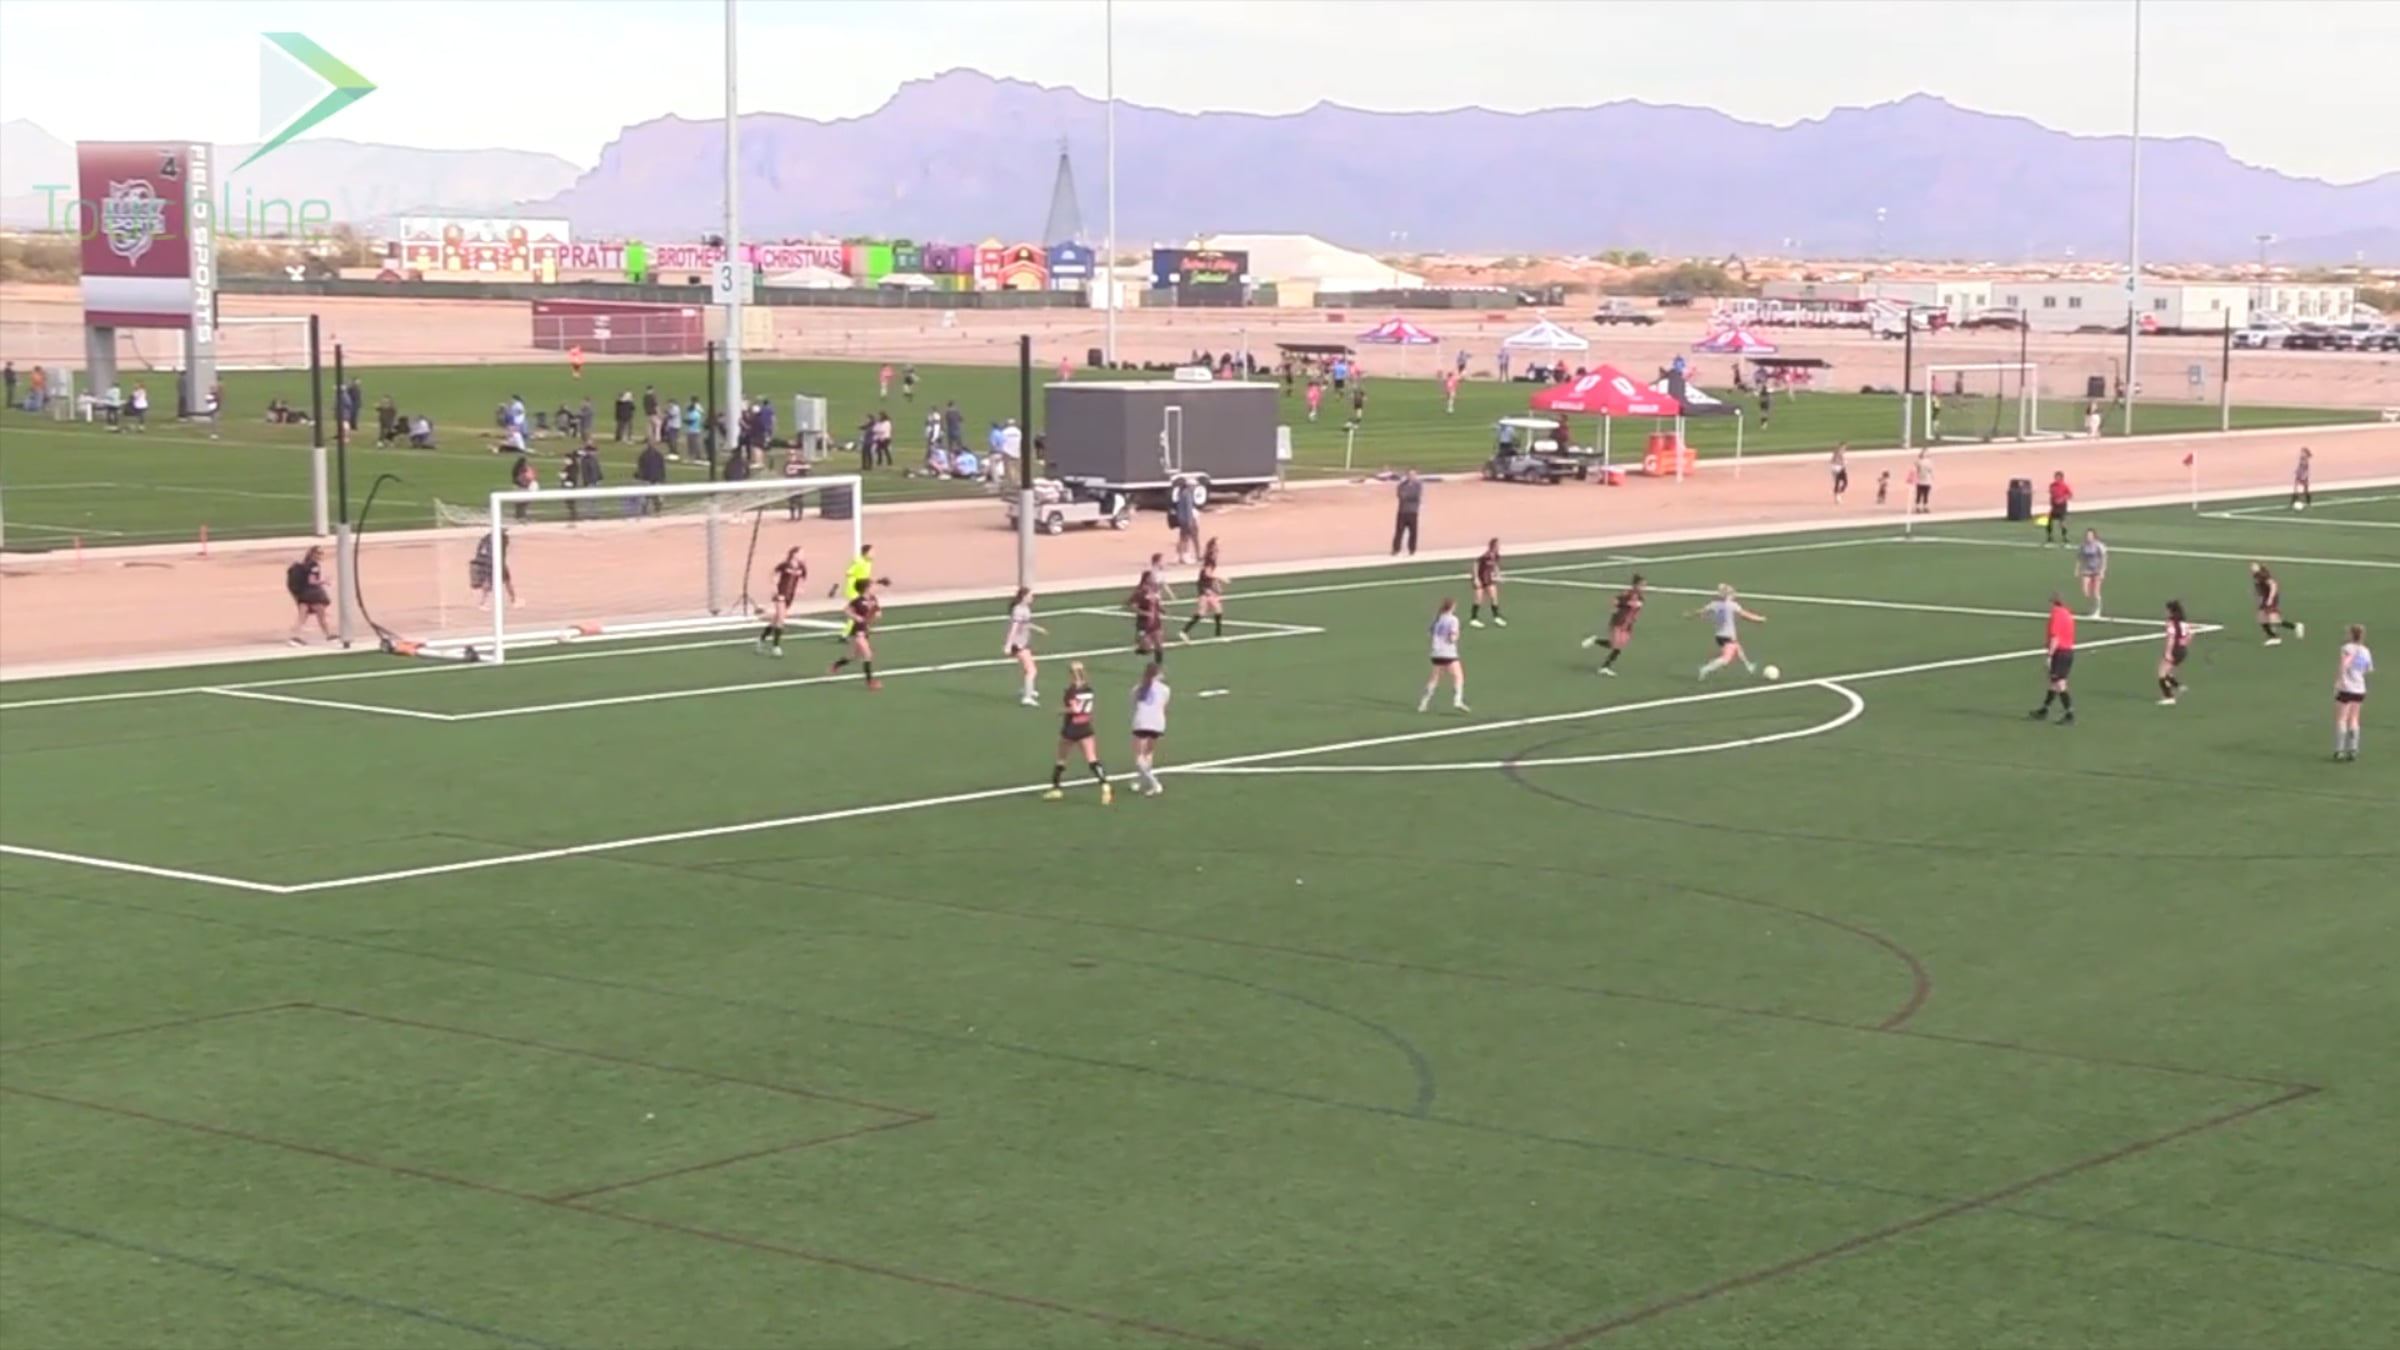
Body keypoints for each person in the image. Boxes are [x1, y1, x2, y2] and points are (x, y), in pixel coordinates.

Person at [1044, 662, 1112, 803]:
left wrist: (1061, 710)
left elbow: (1075, 709)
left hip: (1071, 728)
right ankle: (1104, 784)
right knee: (1092, 759)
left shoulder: (1071, 691)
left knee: (1061, 758)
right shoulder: (1089, 689)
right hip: (1085, 726)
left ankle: (1056, 788)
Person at [1694, 584, 1765, 680]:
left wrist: (1691, 615)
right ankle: (1705, 669)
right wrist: (1759, 619)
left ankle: (1749, 666)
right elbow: (1745, 615)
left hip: (1719, 636)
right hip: (1728, 635)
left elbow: (1701, 611)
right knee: (1726, 659)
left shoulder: (1714, 604)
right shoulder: (1732, 605)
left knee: (1737, 647)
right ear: (1729, 595)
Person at [1581, 573, 1646, 676]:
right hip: (1618, 622)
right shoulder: (1628, 594)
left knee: (1615, 645)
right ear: (1635, 585)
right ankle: (1604, 667)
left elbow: (1636, 610)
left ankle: (1595, 641)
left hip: (1628, 625)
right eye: (1641, 585)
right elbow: (1616, 600)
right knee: (1616, 646)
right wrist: (1615, 609)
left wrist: (1634, 618)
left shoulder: (1641, 598)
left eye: (1644, 585)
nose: (1643, 587)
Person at [2030, 591, 2077, 724]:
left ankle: (2069, 713)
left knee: (2059, 684)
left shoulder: (2056, 615)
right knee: (2054, 683)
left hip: (2060, 652)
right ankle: (2044, 709)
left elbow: (2055, 637)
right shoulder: (2067, 613)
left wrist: (2049, 655)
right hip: (2068, 652)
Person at [826, 580, 883, 689]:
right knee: (868, 654)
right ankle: (870, 682)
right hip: (858, 631)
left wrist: (876, 614)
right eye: (872, 586)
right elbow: (846, 610)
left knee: (853, 656)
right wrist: (856, 617)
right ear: (866, 588)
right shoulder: (857, 601)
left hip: (865, 630)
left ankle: (836, 665)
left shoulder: (873, 599)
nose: (874, 588)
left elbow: (877, 611)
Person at [1129, 662, 1171, 797]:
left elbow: (1135, 704)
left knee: (1139, 758)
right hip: (1157, 724)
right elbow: (1164, 707)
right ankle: (1140, 780)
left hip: (1141, 723)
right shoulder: (1165, 689)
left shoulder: (1137, 688)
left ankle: (1154, 783)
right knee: (1148, 755)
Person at [756, 547, 807, 656]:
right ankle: (776, 646)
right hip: (780, 593)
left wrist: (801, 588)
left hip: (790, 596)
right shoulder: (785, 565)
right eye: (801, 553)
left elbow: (803, 578)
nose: (803, 555)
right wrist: (774, 586)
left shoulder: (801, 567)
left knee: (776, 619)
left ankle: (762, 638)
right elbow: (773, 573)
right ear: (794, 554)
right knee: (781, 619)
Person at [1419, 598, 1467, 713]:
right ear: (1452, 607)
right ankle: (1457, 700)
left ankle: (1423, 703)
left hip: (1436, 653)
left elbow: (1430, 633)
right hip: (1448, 653)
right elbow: (1452, 638)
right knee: (1458, 676)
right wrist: (1457, 635)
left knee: (1434, 679)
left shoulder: (1437, 619)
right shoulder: (1453, 620)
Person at [2333, 624, 2372, 761]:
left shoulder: (2347, 648)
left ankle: (2339, 750)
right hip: (2359, 688)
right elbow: (2368, 669)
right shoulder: (2366, 651)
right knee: (2354, 718)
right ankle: (2353, 748)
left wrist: (2340, 681)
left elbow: (2344, 665)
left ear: (2351, 634)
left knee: (2342, 719)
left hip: (2346, 688)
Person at [1005, 587, 1047, 707]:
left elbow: (1025, 623)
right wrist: (1008, 644)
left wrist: (1038, 628)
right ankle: (1027, 697)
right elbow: (1014, 627)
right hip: (1018, 644)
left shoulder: (1025, 609)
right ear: (1024, 597)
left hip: (1023, 642)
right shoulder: (1019, 610)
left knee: (1028, 668)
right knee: (1031, 670)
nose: (1032, 598)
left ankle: (1028, 689)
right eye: (1030, 596)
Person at [285, 545, 334, 645]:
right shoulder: (314, 566)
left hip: (302, 595)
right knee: (322, 617)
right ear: (313, 554)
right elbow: (312, 581)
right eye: (319, 553)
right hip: (313, 595)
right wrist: (324, 581)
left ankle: (294, 637)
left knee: (301, 618)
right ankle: (329, 635)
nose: (321, 555)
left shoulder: (304, 564)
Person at [1182, 538, 1226, 640]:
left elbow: (1209, 575)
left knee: (1217, 610)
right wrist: (1221, 578)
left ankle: (1218, 634)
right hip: (1204, 587)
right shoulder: (1209, 560)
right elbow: (1207, 574)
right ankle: (1184, 631)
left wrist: (1216, 585)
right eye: (1216, 546)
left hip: (1206, 586)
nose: (1218, 549)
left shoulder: (1211, 559)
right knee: (1202, 611)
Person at [2250, 562, 2303, 646]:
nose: (2251, 567)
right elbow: (2259, 589)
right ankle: (2275, 636)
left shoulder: (2263, 575)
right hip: (2265, 598)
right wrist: (2259, 598)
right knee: (2261, 618)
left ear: (2259, 566)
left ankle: (2286, 631)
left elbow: (2273, 585)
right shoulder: (2256, 575)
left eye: (2254, 565)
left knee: (2273, 619)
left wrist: (2270, 599)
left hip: (2270, 598)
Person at [2156, 599, 2194, 706]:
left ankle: (2169, 697)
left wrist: (2168, 652)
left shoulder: (2171, 624)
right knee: (2168, 670)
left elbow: (2171, 639)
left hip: (2174, 650)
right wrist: (2185, 643)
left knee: (2162, 673)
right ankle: (2178, 686)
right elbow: (2191, 634)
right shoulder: (2184, 623)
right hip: (2182, 650)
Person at [469, 530, 515, 610]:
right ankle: (483, 602)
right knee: (490, 582)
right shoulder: (501, 538)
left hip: (489, 561)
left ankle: (513, 600)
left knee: (506, 581)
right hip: (492, 561)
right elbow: (500, 552)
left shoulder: (487, 538)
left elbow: (480, 549)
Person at [1128, 571, 1166, 663]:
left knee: (1159, 644)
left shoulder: (1155, 590)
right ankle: (1141, 648)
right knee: (1146, 647)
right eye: (1152, 577)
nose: (1154, 579)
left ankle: (1158, 666)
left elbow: (1156, 603)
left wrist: (1161, 609)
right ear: (1147, 579)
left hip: (1156, 622)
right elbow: (1130, 605)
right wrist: (1143, 612)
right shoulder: (1141, 591)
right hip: (1144, 623)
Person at [1469, 538, 1505, 627]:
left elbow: (1495, 565)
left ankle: (1496, 617)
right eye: (1497, 545)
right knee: (1478, 599)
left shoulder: (1496, 556)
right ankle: (1473, 619)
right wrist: (1476, 578)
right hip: (1481, 579)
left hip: (1489, 579)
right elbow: (1476, 564)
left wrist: (1498, 575)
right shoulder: (1486, 556)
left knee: (1494, 597)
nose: (1499, 547)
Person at [2076, 528, 2109, 617]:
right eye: (2087, 535)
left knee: (2095, 591)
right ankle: (2091, 608)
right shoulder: (2083, 546)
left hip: (2097, 570)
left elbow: (2104, 557)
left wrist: (2102, 571)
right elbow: (2079, 557)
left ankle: (2097, 611)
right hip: (2087, 569)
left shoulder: (2098, 545)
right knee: (2085, 591)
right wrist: (2077, 569)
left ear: (2094, 536)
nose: (2088, 537)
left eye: (2090, 535)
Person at [1392, 468, 1423, 556]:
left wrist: (1406, 496)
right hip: (1402, 511)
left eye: (1413, 475)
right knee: (1399, 531)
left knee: (1413, 531)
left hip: (1413, 511)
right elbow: (1400, 495)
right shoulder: (1402, 485)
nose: (1411, 476)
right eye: (1409, 475)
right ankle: (1396, 549)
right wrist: (1405, 496)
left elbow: (1416, 496)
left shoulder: (1418, 485)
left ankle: (1412, 549)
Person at [2044, 471, 2073, 544]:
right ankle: (2049, 536)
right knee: (2049, 521)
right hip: (2054, 506)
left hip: (2062, 506)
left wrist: (2062, 499)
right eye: (2056, 477)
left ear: (2061, 478)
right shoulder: (2052, 485)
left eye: (2058, 477)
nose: (2056, 479)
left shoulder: (2064, 486)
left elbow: (2070, 495)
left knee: (2062, 522)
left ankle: (2065, 537)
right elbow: (2051, 494)